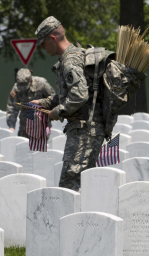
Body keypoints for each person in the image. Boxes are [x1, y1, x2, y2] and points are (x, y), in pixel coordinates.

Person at [31, 16, 101, 192]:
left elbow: (79, 95)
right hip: (84, 128)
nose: (43, 48)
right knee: (78, 183)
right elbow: (67, 94)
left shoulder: (70, 60)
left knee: (71, 183)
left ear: (52, 39)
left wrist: (58, 111)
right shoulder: (74, 55)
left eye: (43, 43)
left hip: (85, 130)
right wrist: (43, 102)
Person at [5, 68, 55, 137]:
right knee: (23, 145)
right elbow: (12, 106)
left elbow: (53, 99)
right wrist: (11, 126)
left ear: (30, 80)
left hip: (41, 122)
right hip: (25, 124)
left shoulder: (42, 84)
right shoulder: (16, 88)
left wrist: (49, 116)